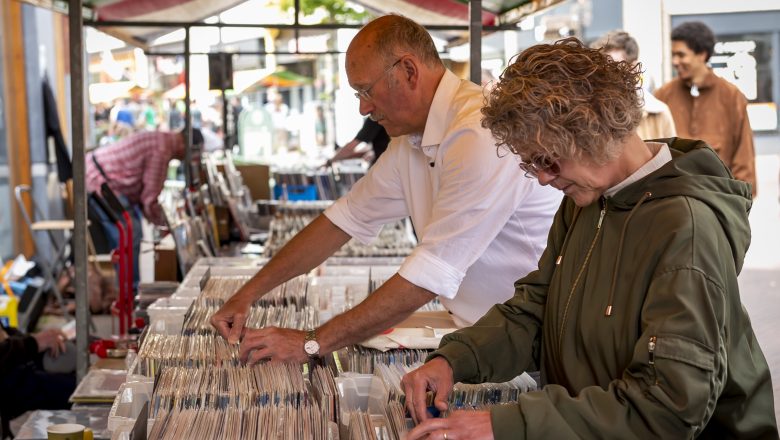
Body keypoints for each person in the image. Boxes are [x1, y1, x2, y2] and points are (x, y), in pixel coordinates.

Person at [401, 38, 777, 440]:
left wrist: (510, 424)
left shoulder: (685, 228)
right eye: (532, 164)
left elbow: (669, 404)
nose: (543, 177)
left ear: (593, 129)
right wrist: (455, 359)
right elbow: (536, 309)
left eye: (547, 160)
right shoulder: (588, 199)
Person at [210, 15, 561, 365]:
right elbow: (342, 220)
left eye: (366, 90)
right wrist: (248, 294)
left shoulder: (477, 132)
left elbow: (430, 273)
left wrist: (311, 343)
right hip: (487, 333)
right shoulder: (411, 140)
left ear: (409, 70)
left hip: (535, 345)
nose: (364, 107)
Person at [86, 129, 204, 286]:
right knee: (130, 234)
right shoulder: (162, 150)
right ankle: (130, 293)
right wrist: (164, 225)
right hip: (101, 180)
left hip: (102, 177)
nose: (185, 160)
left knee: (130, 233)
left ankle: (129, 290)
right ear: (184, 146)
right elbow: (150, 199)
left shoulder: (163, 141)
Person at [655, 21, 757, 197]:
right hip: (672, 203)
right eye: (673, 55)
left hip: (719, 200)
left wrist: (738, 204)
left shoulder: (731, 96)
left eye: (681, 55)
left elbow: (744, 158)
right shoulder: (663, 96)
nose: (675, 61)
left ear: (702, 54)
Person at [591, 30, 677, 140]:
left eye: (614, 67)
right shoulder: (589, 115)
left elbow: (674, 156)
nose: (606, 73)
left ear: (634, 68)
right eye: (601, 67)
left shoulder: (659, 113)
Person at [0, 325, 75, 437]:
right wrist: (34, 342)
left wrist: (37, 339)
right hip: (13, 392)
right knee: (75, 391)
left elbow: (6, 335)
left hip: (21, 370)